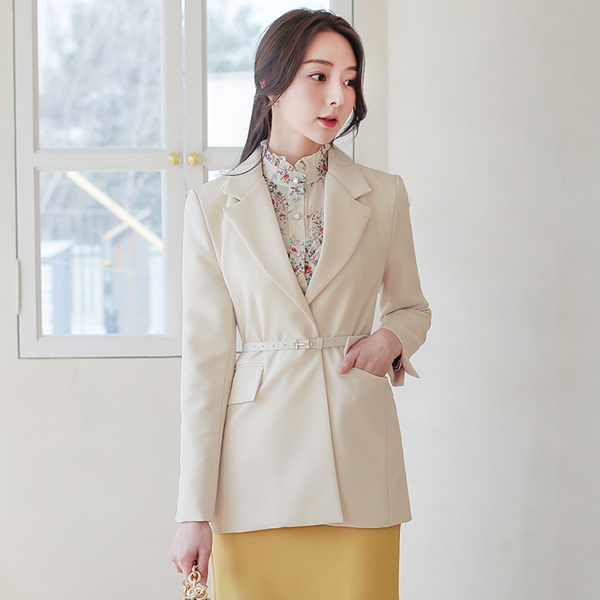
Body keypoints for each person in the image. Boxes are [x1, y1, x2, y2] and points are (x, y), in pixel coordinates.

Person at [168, 8, 431, 600]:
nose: (339, 95)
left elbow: (411, 308)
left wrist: (390, 340)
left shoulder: (384, 194)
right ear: (270, 83)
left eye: (350, 80)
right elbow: (204, 366)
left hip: (357, 466)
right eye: (319, 75)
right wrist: (192, 510)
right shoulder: (212, 207)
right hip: (252, 476)